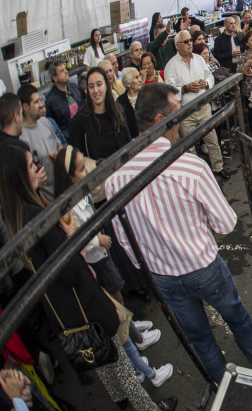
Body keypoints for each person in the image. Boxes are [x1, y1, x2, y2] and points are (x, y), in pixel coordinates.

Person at [0, 140, 177, 411]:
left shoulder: (16, 219)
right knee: (120, 364)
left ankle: (126, 405)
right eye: (31, 166)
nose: (38, 169)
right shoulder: (38, 217)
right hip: (85, 304)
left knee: (106, 367)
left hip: (66, 314)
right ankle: (150, 408)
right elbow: (69, 272)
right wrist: (80, 259)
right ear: (20, 177)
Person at [108, 83, 252, 385]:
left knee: (200, 338)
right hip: (203, 266)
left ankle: (222, 386)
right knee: (235, 316)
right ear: (159, 121)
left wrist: (151, 262)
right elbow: (225, 223)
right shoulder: (189, 167)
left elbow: (126, 241)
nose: (180, 118)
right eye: (176, 112)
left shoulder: (116, 180)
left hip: (162, 275)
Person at [163, 31, 229, 181]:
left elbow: (209, 76)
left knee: (212, 140)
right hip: (186, 112)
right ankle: (196, 175)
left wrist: (206, 83)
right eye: (185, 41)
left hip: (203, 106)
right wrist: (185, 88)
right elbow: (170, 91)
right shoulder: (171, 66)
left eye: (190, 40)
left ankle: (218, 167)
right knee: (190, 146)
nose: (189, 43)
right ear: (177, 45)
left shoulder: (199, 59)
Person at [69, 68, 131, 161]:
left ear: (106, 86)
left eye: (99, 84)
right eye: (91, 86)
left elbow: (128, 143)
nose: (95, 90)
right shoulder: (78, 122)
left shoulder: (118, 112)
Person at [16, 85, 62, 199]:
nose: (40, 105)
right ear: (25, 107)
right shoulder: (22, 138)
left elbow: (58, 145)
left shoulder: (46, 122)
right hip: (47, 199)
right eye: (36, 102)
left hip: (63, 188)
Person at [44, 61, 82, 139]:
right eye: (62, 71)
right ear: (54, 78)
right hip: (69, 138)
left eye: (65, 69)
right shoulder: (50, 100)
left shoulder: (74, 87)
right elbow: (53, 126)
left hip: (83, 131)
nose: (66, 72)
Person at [117, 66, 143, 137]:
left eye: (139, 76)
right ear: (128, 83)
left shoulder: (146, 94)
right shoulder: (120, 101)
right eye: (136, 77)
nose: (140, 80)